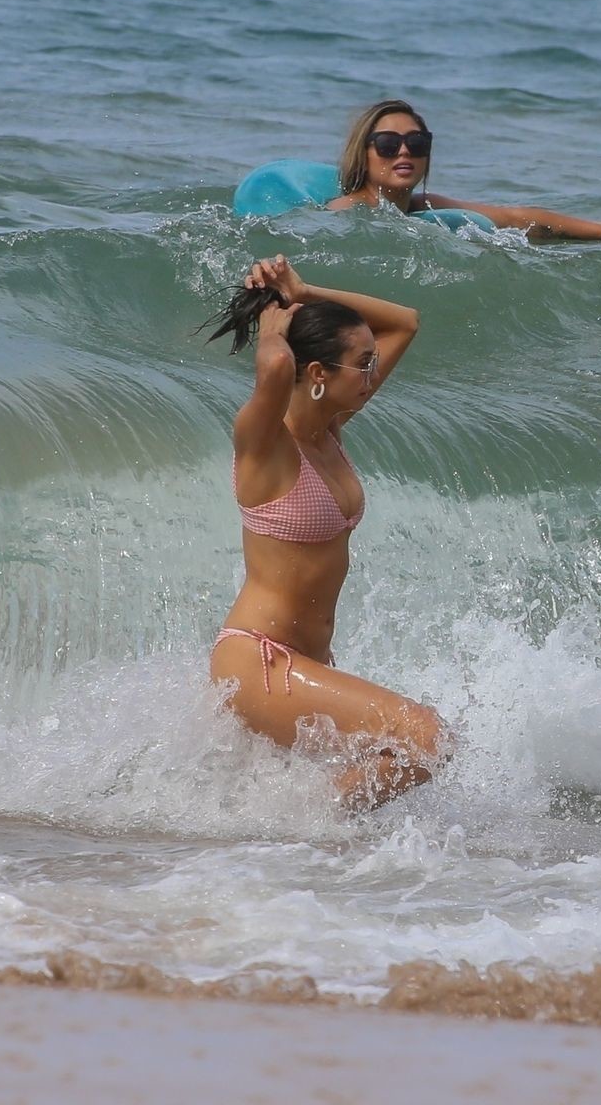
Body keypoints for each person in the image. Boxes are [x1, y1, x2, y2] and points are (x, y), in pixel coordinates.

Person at [204, 254, 448, 810]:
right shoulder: (266, 444)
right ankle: (304, 833)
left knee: (403, 752)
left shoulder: (329, 430)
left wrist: (304, 290)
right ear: (317, 374)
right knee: (426, 738)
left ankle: (296, 844)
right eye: (363, 364)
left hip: (305, 665)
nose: (373, 373)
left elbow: (405, 322)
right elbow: (273, 370)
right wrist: (274, 325)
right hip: (259, 661)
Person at [325, 98, 601, 241]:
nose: (405, 150)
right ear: (363, 153)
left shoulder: (424, 205)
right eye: (388, 144)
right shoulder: (348, 209)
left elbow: (516, 218)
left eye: (417, 142)